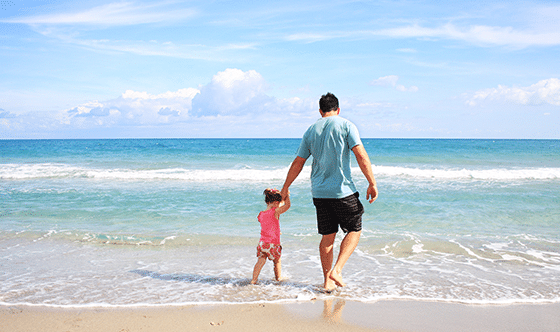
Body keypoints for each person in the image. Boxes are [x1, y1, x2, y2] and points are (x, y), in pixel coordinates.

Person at [280, 92, 378, 292]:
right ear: (338, 109)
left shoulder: (310, 130)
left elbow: (299, 162)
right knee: (355, 229)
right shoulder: (346, 125)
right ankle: (337, 270)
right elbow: (360, 155)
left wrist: (285, 187)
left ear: (320, 111)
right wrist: (372, 182)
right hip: (342, 191)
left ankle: (327, 282)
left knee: (327, 237)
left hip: (319, 192)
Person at [251, 188, 291, 284]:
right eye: (279, 202)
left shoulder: (260, 214)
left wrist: (277, 231)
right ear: (276, 202)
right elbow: (287, 206)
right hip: (273, 244)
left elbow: (267, 225)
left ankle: (253, 280)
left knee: (260, 261)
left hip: (262, 243)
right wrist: (287, 195)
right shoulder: (275, 212)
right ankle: (278, 278)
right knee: (277, 261)